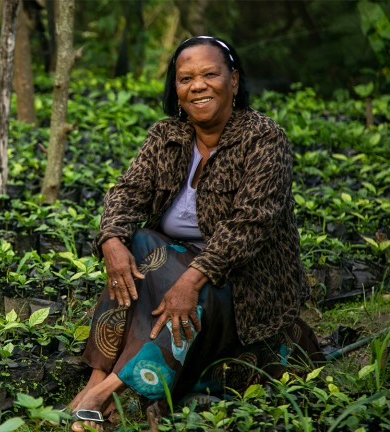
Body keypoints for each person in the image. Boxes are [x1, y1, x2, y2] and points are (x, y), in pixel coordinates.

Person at [68, 36, 324, 431]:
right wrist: (111, 241)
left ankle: (106, 392)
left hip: (241, 283)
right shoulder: (166, 136)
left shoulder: (263, 138)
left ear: (234, 81)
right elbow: (127, 192)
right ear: (176, 89)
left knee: (191, 289)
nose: (197, 85)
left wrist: (192, 277)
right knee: (133, 247)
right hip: (172, 266)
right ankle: (96, 378)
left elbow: (251, 223)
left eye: (209, 74)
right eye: (186, 78)